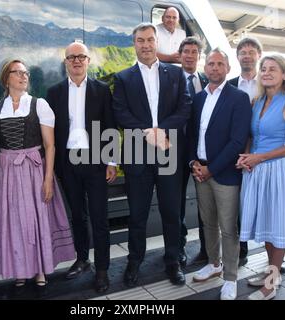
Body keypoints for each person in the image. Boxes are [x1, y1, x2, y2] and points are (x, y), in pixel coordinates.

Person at [113, 23, 191, 287]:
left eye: (149, 39)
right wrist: (147, 132)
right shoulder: (123, 78)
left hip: (169, 149)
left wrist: (163, 130)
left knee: (171, 211)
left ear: (156, 42)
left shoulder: (176, 74)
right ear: (134, 44)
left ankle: (173, 260)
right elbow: (120, 112)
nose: (145, 45)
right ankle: (134, 261)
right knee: (138, 213)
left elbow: (185, 107)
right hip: (137, 151)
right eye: (139, 40)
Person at [0, 59, 75, 296]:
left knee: (36, 219)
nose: (23, 76)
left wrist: (48, 179)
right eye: (17, 72)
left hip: (33, 169)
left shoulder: (39, 105)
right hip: (7, 171)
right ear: (6, 78)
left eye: (25, 72)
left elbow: (50, 146)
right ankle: (20, 269)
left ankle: (39, 269)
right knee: (14, 220)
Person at [46, 42, 117, 293]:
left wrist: (111, 161)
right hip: (67, 164)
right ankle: (82, 259)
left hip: (96, 163)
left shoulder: (101, 90)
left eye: (81, 57)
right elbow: (50, 133)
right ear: (65, 62)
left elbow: (109, 126)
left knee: (99, 218)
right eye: (71, 57)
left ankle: (102, 270)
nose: (76, 61)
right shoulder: (53, 93)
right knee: (77, 215)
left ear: (88, 61)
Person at [237, 54, 285, 300]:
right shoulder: (257, 101)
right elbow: (253, 137)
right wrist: (246, 155)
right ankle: (271, 273)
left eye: (272, 69)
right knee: (264, 223)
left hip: (279, 170)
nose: (266, 72)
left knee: (277, 225)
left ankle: (272, 281)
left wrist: (259, 158)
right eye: (263, 68)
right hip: (257, 169)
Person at [188, 49, 252, 300]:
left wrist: (211, 169)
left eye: (220, 64)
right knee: (208, 223)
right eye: (211, 64)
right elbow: (192, 134)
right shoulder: (198, 99)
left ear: (228, 68)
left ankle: (231, 278)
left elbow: (238, 141)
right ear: (205, 68)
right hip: (200, 170)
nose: (214, 68)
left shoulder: (238, 98)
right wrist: (193, 161)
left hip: (224, 174)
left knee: (228, 228)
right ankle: (214, 264)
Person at [228, 36, 262, 267]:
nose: (247, 55)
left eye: (251, 51)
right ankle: (241, 249)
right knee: (237, 202)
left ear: (258, 55)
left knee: (265, 202)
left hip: (263, 151)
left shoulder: (269, 82)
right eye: (243, 52)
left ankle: (275, 254)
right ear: (238, 57)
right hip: (235, 152)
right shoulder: (229, 84)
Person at [178, 36, 209, 266]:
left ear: (199, 57)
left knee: (205, 202)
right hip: (177, 152)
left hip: (202, 151)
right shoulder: (169, 79)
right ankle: (179, 248)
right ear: (180, 56)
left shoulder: (208, 80)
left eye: (194, 52)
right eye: (186, 51)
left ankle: (207, 247)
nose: (190, 56)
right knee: (176, 202)